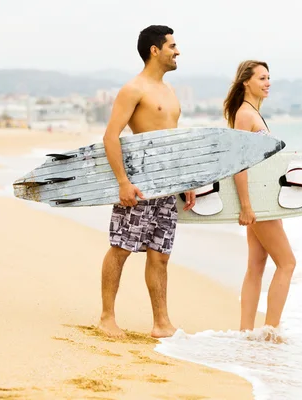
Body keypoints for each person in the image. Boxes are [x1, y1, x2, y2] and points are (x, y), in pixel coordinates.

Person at [97, 25, 196, 339]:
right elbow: (111, 137)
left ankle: (161, 323)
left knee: (160, 254)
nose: (177, 51)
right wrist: (123, 182)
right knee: (121, 248)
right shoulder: (134, 89)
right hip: (139, 182)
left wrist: (185, 180)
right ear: (155, 50)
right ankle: (107, 317)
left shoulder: (170, 91)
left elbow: (174, 140)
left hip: (167, 186)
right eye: (172, 45)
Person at [223, 60, 296, 332]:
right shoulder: (245, 114)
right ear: (246, 82)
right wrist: (246, 206)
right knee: (287, 263)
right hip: (258, 201)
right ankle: (270, 331)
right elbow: (238, 163)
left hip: (259, 198)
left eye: (268, 78)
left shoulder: (252, 113)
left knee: (256, 266)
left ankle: (246, 333)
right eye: (262, 78)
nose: (268, 83)